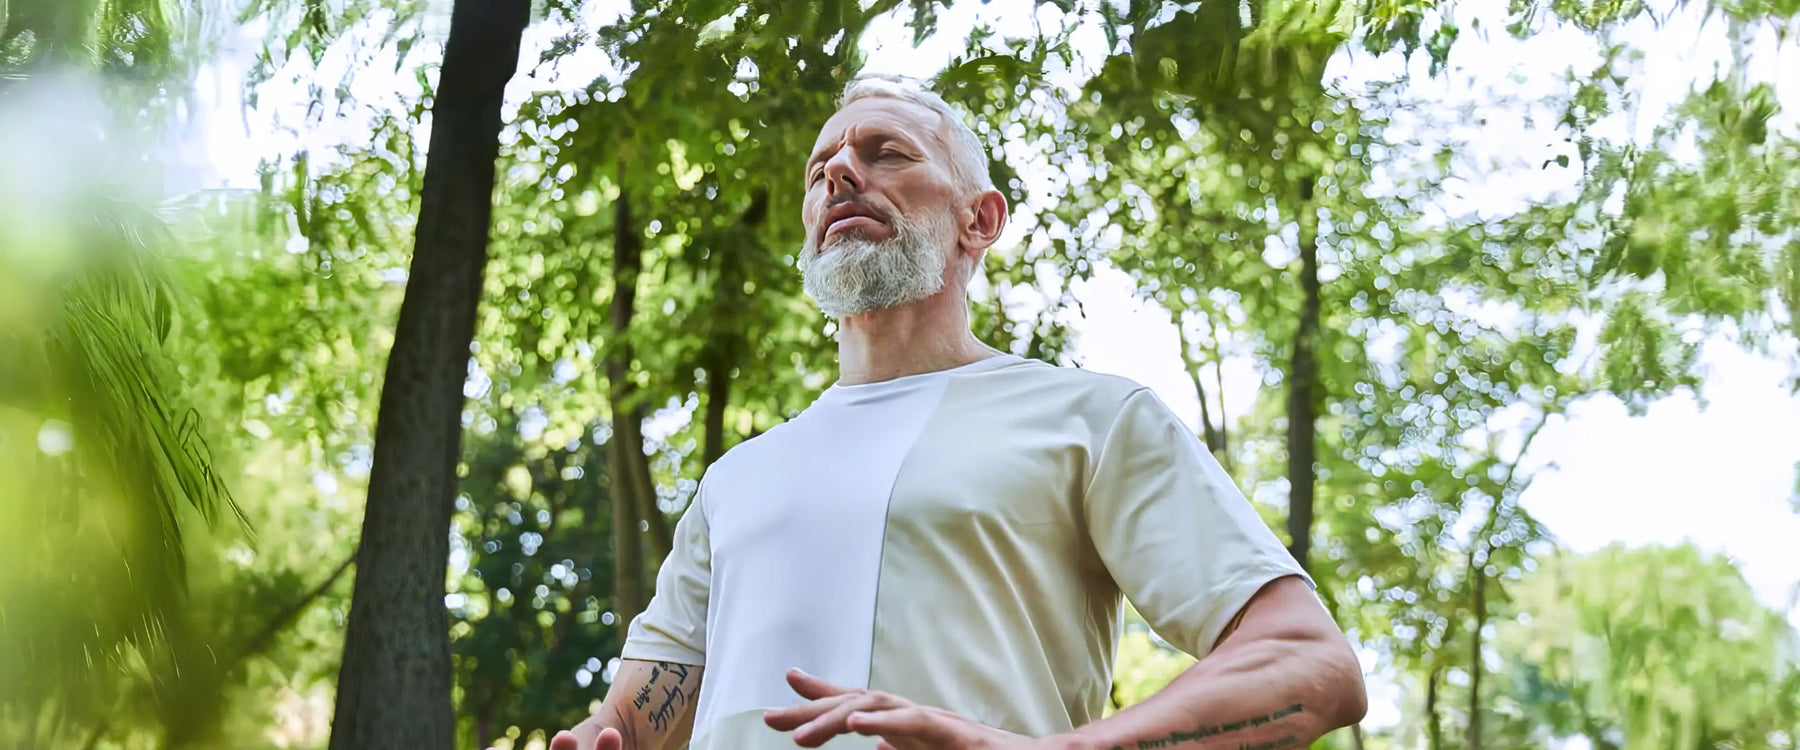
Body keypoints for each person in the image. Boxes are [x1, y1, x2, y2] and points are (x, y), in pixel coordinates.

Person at [549, 75, 1367, 750]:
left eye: (886, 152)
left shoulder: (1092, 419)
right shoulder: (736, 481)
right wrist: (597, 736)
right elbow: (637, 715)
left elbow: (1308, 665)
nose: (838, 173)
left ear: (980, 220)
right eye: (820, 167)